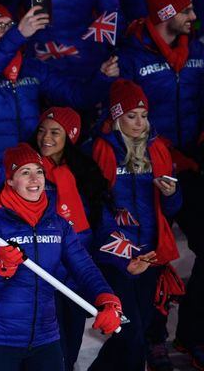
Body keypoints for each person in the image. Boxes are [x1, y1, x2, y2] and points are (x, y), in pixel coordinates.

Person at [0, 107, 111, 370]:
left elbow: (84, 266)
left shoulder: (57, 224)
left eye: (38, 172)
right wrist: (0, 266)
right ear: (9, 181)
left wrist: (107, 298)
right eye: (24, 172)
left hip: (45, 340)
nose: (34, 179)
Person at [116, 0, 204, 370]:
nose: (193, 16)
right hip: (149, 170)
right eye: (185, 10)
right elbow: (126, 118)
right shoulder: (132, 57)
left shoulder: (198, 50)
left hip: (195, 167)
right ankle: (153, 339)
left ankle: (192, 334)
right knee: (150, 256)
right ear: (167, 14)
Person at [0, 0, 117, 190]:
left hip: (31, 171)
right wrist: (18, 34)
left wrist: (103, 77)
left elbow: (78, 96)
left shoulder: (31, 67)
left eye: (10, 25)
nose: (7, 30)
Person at [88, 79, 182, 371]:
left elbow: (171, 210)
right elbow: (97, 208)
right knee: (129, 335)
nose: (140, 122)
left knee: (134, 335)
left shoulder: (158, 149)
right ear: (116, 117)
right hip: (117, 257)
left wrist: (171, 194)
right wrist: (123, 253)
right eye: (131, 116)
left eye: (143, 115)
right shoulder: (100, 150)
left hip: (150, 255)